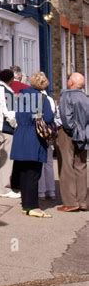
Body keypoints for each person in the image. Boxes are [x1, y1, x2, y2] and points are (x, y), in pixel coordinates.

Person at [11, 72, 55, 218]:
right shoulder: (43, 99)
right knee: (33, 174)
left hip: (20, 136)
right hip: (34, 138)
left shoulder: (21, 97)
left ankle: (25, 205)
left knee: (23, 172)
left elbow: (17, 116)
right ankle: (33, 206)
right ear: (43, 85)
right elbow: (48, 118)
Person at [56, 72, 89, 212]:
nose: (67, 80)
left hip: (68, 134)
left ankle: (70, 202)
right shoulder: (85, 98)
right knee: (81, 166)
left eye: (69, 79)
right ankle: (83, 202)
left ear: (71, 83)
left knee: (66, 166)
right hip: (84, 134)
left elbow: (66, 119)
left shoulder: (66, 95)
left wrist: (74, 130)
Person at [0, 69, 20, 198]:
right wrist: (16, 125)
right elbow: (10, 114)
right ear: (11, 79)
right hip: (6, 129)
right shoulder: (8, 93)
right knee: (6, 160)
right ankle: (5, 189)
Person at [37, 79, 57, 201]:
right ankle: (51, 190)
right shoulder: (49, 99)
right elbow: (52, 116)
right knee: (49, 163)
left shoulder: (35, 98)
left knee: (40, 163)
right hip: (48, 134)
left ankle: (41, 192)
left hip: (39, 133)